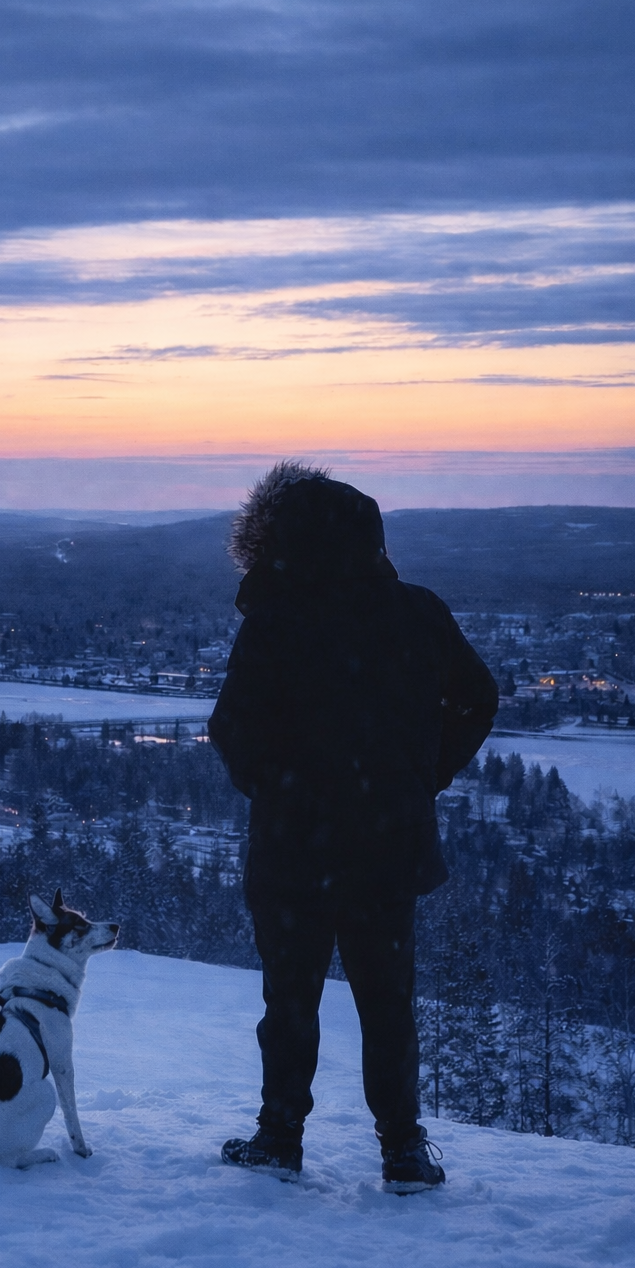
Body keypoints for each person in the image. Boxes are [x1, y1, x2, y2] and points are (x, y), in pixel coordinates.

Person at [208, 462, 498, 1191]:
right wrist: (420, 776)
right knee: (388, 1005)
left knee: (290, 1004)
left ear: (283, 542)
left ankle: (280, 1139)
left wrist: (279, 792)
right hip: (385, 850)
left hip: (292, 853)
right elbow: (477, 699)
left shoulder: (275, 620)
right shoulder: (416, 612)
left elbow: (232, 730)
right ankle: (402, 1149)